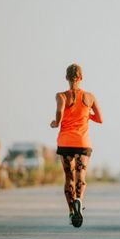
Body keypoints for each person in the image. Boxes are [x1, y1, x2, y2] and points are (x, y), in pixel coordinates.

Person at [50, 64, 103, 228]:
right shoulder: (89, 97)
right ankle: (79, 199)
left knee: (69, 178)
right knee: (81, 176)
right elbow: (99, 119)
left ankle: (72, 211)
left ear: (66, 78)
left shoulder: (61, 96)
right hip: (82, 144)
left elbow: (59, 112)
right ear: (81, 78)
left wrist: (56, 122)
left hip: (65, 143)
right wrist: (86, 115)